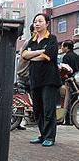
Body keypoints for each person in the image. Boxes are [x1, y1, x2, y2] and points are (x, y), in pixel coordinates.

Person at [22, 13, 61, 147]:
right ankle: (43, 134)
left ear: (47, 23)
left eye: (40, 21)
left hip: (49, 80)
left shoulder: (52, 39)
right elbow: (24, 54)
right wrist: (39, 52)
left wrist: (32, 55)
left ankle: (50, 137)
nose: (37, 24)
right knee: (37, 110)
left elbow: (47, 56)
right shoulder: (32, 41)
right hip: (35, 79)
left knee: (49, 110)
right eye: (35, 21)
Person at [14, 24, 35, 130]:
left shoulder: (28, 43)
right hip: (26, 76)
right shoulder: (30, 43)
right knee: (22, 100)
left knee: (23, 101)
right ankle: (19, 122)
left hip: (23, 75)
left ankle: (19, 122)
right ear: (32, 32)